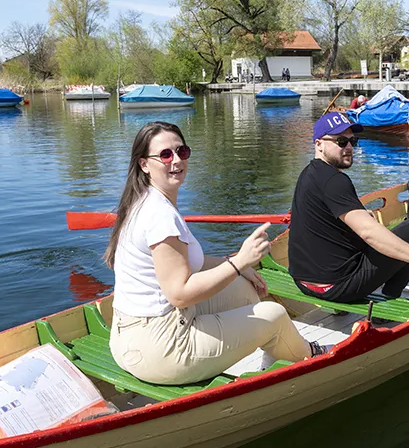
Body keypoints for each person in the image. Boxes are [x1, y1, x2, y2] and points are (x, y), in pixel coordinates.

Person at [104, 122, 321, 386]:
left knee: (244, 289)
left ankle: (275, 349)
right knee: (273, 315)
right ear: (144, 164)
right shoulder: (160, 215)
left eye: (181, 151)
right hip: (161, 349)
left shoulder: (143, 200)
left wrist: (237, 267)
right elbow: (180, 294)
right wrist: (240, 260)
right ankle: (311, 357)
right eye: (165, 155)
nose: (176, 160)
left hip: (131, 338)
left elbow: (189, 262)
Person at [287, 112, 409, 304]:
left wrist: (361, 215)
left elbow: (324, 220)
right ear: (319, 144)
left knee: (372, 227)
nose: (348, 147)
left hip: (303, 282)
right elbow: (368, 232)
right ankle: (389, 297)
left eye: (352, 141)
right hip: (336, 287)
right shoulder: (335, 181)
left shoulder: (309, 173)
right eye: (341, 141)